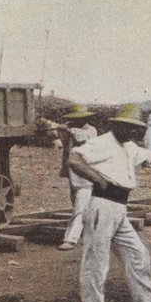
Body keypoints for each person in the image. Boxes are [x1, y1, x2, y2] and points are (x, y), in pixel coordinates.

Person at [68, 104, 151, 302]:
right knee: (97, 260)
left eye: (134, 129)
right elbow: (75, 160)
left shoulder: (130, 146)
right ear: (116, 125)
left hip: (119, 207)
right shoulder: (101, 142)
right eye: (127, 127)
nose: (131, 132)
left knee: (138, 253)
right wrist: (99, 179)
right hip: (102, 204)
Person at [56, 104, 98, 252]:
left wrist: (67, 130)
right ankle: (90, 232)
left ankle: (70, 239)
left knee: (79, 208)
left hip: (87, 176)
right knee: (79, 206)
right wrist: (61, 130)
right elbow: (63, 139)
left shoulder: (91, 131)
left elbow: (81, 137)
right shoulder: (72, 130)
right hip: (73, 175)